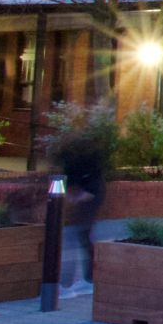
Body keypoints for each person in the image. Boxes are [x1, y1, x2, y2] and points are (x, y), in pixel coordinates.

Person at [58, 116, 107, 296]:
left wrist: (83, 195)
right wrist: (70, 196)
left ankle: (76, 282)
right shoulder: (69, 154)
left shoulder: (84, 152)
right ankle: (80, 281)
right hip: (85, 192)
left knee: (77, 234)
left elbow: (93, 176)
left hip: (91, 192)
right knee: (79, 235)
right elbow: (66, 177)